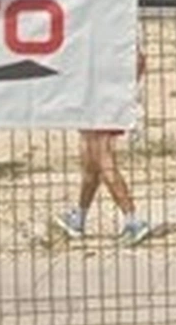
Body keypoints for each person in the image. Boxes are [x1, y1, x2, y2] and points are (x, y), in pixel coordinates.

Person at [52, 48, 151, 245]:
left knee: (103, 159)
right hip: (93, 97)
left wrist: (119, 89)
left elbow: (138, 60)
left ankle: (132, 220)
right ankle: (79, 218)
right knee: (90, 162)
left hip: (98, 99)